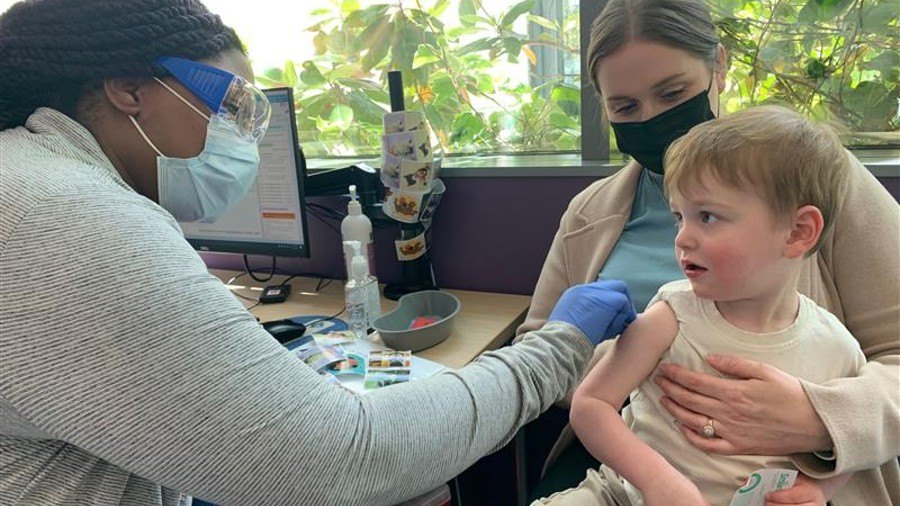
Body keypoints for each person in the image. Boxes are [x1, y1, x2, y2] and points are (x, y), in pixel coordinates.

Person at [0, 1, 639, 505]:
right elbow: (342, 461)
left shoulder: (31, 184)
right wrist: (555, 349)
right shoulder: (66, 216)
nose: (246, 137)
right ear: (127, 88)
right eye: (232, 104)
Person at [517, 0, 899, 503]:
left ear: (719, 67)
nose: (652, 119)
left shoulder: (813, 181)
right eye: (625, 108)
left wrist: (822, 418)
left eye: (672, 93)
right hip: (626, 453)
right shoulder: (588, 213)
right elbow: (538, 351)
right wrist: (638, 360)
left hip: (791, 467)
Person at [552, 106, 865, 505]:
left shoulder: (836, 347)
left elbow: (851, 446)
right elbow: (591, 404)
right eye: (680, 216)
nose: (682, 237)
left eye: (707, 217)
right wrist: (658, 481)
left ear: (798, 232)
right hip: (625, 496)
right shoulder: (672, 314)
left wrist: (820, 489)